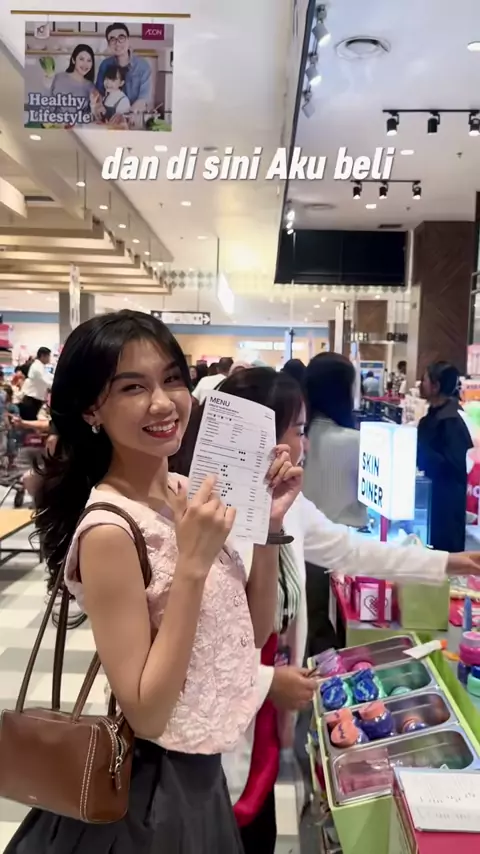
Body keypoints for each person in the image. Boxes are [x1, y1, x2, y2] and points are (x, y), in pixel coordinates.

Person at [5, 310, 301, 854]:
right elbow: (146, 711)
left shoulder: (185, 491)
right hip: (149, 798)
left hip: (202, 780)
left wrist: (266, 529)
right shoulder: (109, 530)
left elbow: (252, 633)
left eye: (171, 379)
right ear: (92, 409)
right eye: (133, 387)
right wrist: (191, 566)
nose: (163, 403)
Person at [173, 366, 480, 854]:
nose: (306, 443)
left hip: (263, 714)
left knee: (255, 821)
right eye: (297, 430)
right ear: (260, 436)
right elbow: (190, 650)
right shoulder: (203, 519)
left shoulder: (284, 506)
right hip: (213, 726)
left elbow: (350, 549)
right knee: (220, 824)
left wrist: (451, 562)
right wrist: (266, 682)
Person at [417, 361, 473, 553]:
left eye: (424, 379)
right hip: (433, 499)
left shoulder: (451, 421)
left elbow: (452, 466)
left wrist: (421, 451)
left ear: (436, 386)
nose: (421, 384)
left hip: (445, 504)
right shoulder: (435, 417)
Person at [95, 23, 152, 113]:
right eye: (112, 40)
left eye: (121, 38)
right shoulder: (105, 65)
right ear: (108, 44)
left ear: (128, 40)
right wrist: (101, 108)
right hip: (109, 116)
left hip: (133, 115)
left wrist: (127, 116)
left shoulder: (143, 66)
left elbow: (143, 98)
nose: (117, 43)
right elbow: (99, 92)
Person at [19, 347, 53, 421]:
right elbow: (46, 382)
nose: (49, 359)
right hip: (31, 401)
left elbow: (49, 377)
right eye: (49, 356)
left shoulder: (40, 367)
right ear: (43, 356)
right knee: (29, 423)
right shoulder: (37, 367)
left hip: (34, 401)